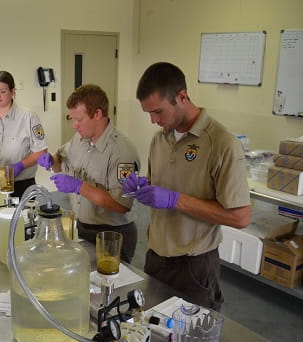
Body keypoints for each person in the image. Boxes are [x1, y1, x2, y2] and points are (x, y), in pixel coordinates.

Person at [124, 62, 251, 311]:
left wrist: (175, 200)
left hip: (194, 266)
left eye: (158, 112)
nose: (153, 120)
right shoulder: (160, 138)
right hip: (155, 256)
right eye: (148, 113)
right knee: (152, 331)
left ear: (182, 97)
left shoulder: (222, 144)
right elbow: (161, 181)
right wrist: (141, 185)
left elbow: (240, 216)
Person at [38, 84, 140, 263]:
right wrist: (51, 160)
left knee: (107, 285)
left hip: (111, 234)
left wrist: (79, 186)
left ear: (98, 115)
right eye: (72, 118)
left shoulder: (122, 152)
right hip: (83, 226)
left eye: (79, 119)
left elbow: (122, 205)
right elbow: (61, 161)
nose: (74, 125)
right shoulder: (80, 139)